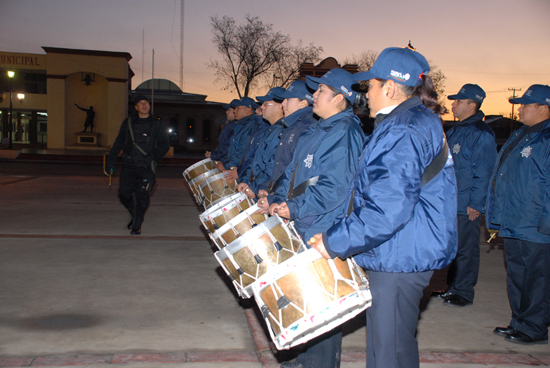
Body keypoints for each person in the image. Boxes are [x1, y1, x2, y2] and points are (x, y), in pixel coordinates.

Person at [308, 47, 457, 368]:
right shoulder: (411, 121)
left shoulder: (403, 129)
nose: (366, 94)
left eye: (371, 86)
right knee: (395, 347)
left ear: (389, 88)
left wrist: (335, 241)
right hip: (402, 250)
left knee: (387, 353)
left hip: (400, 255)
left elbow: (388, 208)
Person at [268, 68, 366, 368]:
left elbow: (335, 189)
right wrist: (278, 200)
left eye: (320, 91)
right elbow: (293, 174)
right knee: (308, 299)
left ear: (339, 98)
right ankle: (306, 359)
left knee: (324, 305)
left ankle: (319, 364)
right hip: (306, 223)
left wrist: (294, 208)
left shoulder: (345, 133)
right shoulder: (318, 129)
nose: (314, 96)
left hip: (324, 227)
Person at [487, 84, 550, 345]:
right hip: (514, 220)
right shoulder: (520, 135)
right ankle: (519, 322)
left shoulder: (546, 139)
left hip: (535, 225)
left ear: (544, 108)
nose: (520, 108)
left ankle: (534, 328)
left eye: (526, 104)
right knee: (517, 275)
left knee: (537, 279)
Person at [432, 84, 497, 307]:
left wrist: (476, 204)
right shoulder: (456, 130)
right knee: (449, 248)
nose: (453, 104)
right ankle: (449, 286)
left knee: (466, 250)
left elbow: (484, 171)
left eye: (458, 101)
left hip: (465, 204)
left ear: (472, 104)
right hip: (449, 203)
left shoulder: (481, 134)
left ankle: (463, 291)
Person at [105, 95, 170, 235]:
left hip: (146, 166)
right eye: (141, 103)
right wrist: (110, 161)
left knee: (142, 194)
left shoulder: (156, 123)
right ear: (136, 107)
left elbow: (165, 144)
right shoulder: (128, 123)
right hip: (130, 165)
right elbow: (118, 143)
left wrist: (153, 157)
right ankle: (134, 214)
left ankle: (137, 224)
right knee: (124, 194)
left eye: (146, 102)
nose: (144, 105)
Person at [255, 80, 316, 211]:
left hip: (291, 204)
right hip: (282, 199)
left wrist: (275, 199)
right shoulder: (292, 126)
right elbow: (280, 166)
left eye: (288, 99)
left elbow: (294, 173)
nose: (283, 103)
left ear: (303, 103)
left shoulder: (306, 128)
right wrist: (268, 189)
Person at [237, 87, 286, 198]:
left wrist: (254, 188)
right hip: (255, 188)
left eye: (266, 104)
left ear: (279, 107)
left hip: (263, 193)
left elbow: (273, 169)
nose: (261, 107)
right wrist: (245, 181)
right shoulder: (269, 130)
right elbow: (255, 162)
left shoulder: (281, 133)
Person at [216, 97, 263, 182]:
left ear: (248, 109)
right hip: (238, 170)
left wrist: (227, 165)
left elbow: (243, 151)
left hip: (240, 172)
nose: (234, 110)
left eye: (238, 108)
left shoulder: (250, 126)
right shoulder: (242, 125)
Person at [205, 98, 239, 163]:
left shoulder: (232, 126)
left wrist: (213, 155)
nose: (226, 112)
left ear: (235, 110)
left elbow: (228, 148)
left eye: (228, 109)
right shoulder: (232, 125)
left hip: (226, 163)